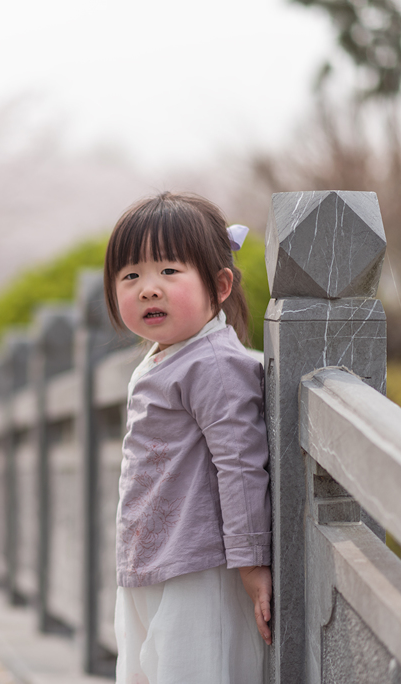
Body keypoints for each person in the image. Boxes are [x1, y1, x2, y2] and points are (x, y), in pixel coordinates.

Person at [103, 192, 272, 684]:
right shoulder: (164, 355)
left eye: (169, 272)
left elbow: (240, 462)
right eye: (131, 276)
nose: (148, 289)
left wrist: (251, 561)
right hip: (152, 558)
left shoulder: (214, 363)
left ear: (219, 285)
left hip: (201, 568)